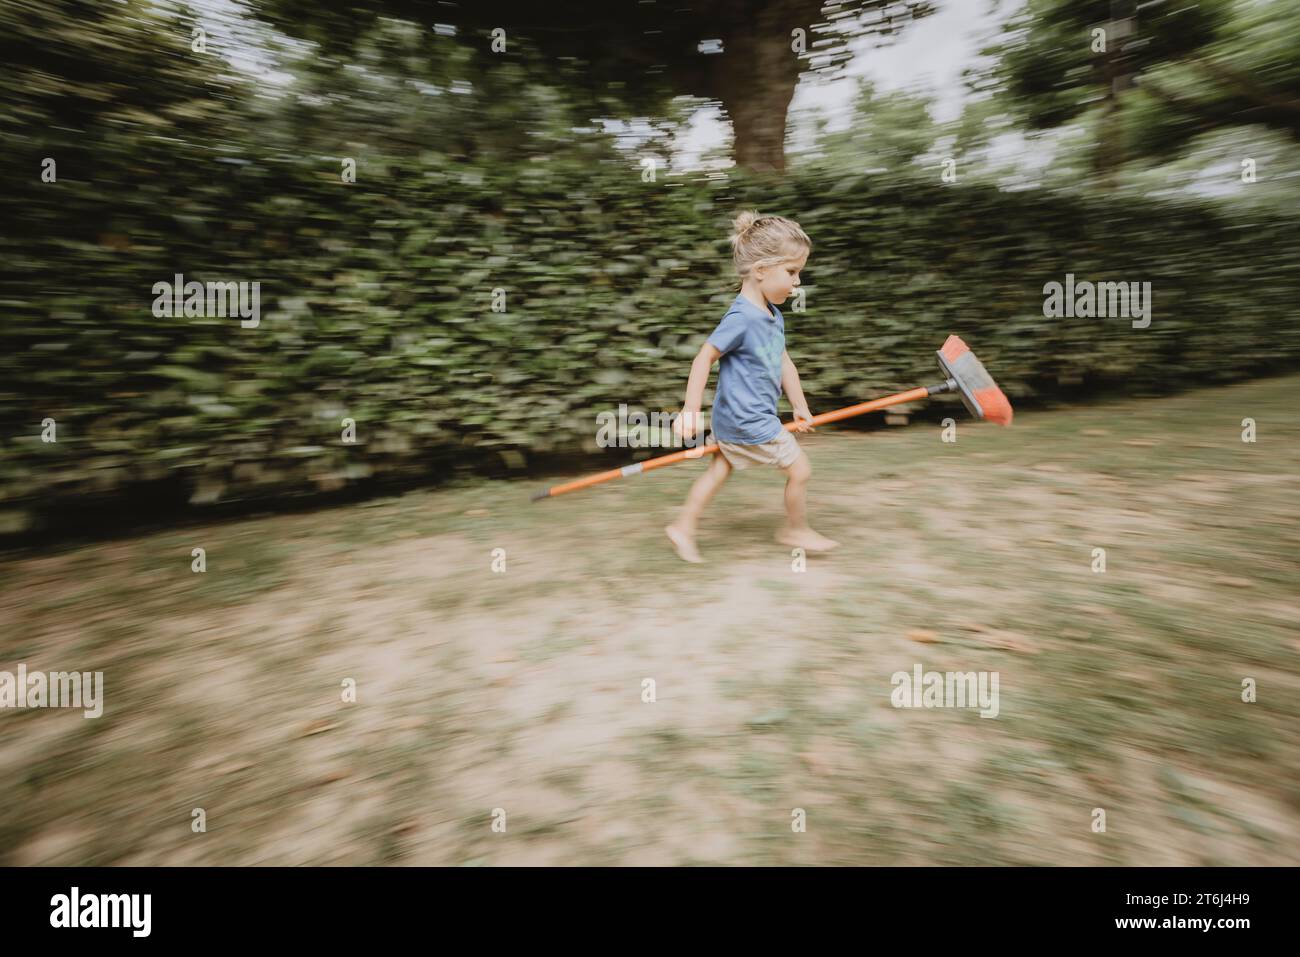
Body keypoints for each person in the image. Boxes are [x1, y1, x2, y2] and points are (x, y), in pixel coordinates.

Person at [665, 210, 839, 563]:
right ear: (761, 270)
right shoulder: (742, 317)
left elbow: (783, 362)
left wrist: (800, 406)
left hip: (737, 419)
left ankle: (682, 527)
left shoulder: (772, 316)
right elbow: (703, 358)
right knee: (800, 470)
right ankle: (794, 529)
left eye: (799, 273)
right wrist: (689, 410)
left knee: (719, 470)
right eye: (791, 272)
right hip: (748, 421)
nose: (797, 282)